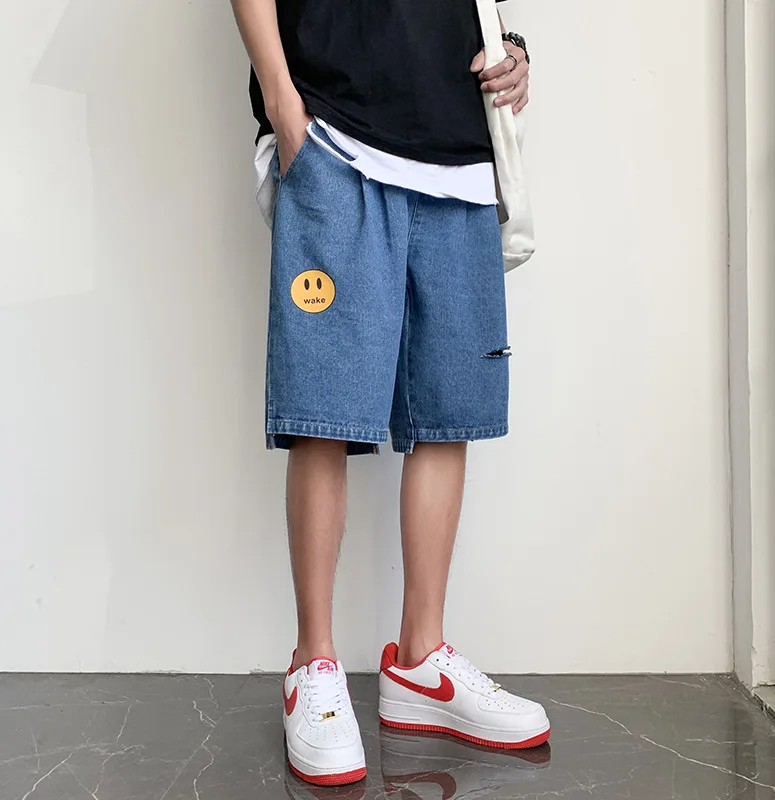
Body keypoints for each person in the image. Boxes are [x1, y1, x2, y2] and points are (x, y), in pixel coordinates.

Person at [230, 0, 550, 786]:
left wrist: (511, 46)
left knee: (448, 410)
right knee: (325, 409)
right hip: (335, 133)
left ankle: (421, 663)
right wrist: (282, 103)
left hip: (459, 147)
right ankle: (313, 663)